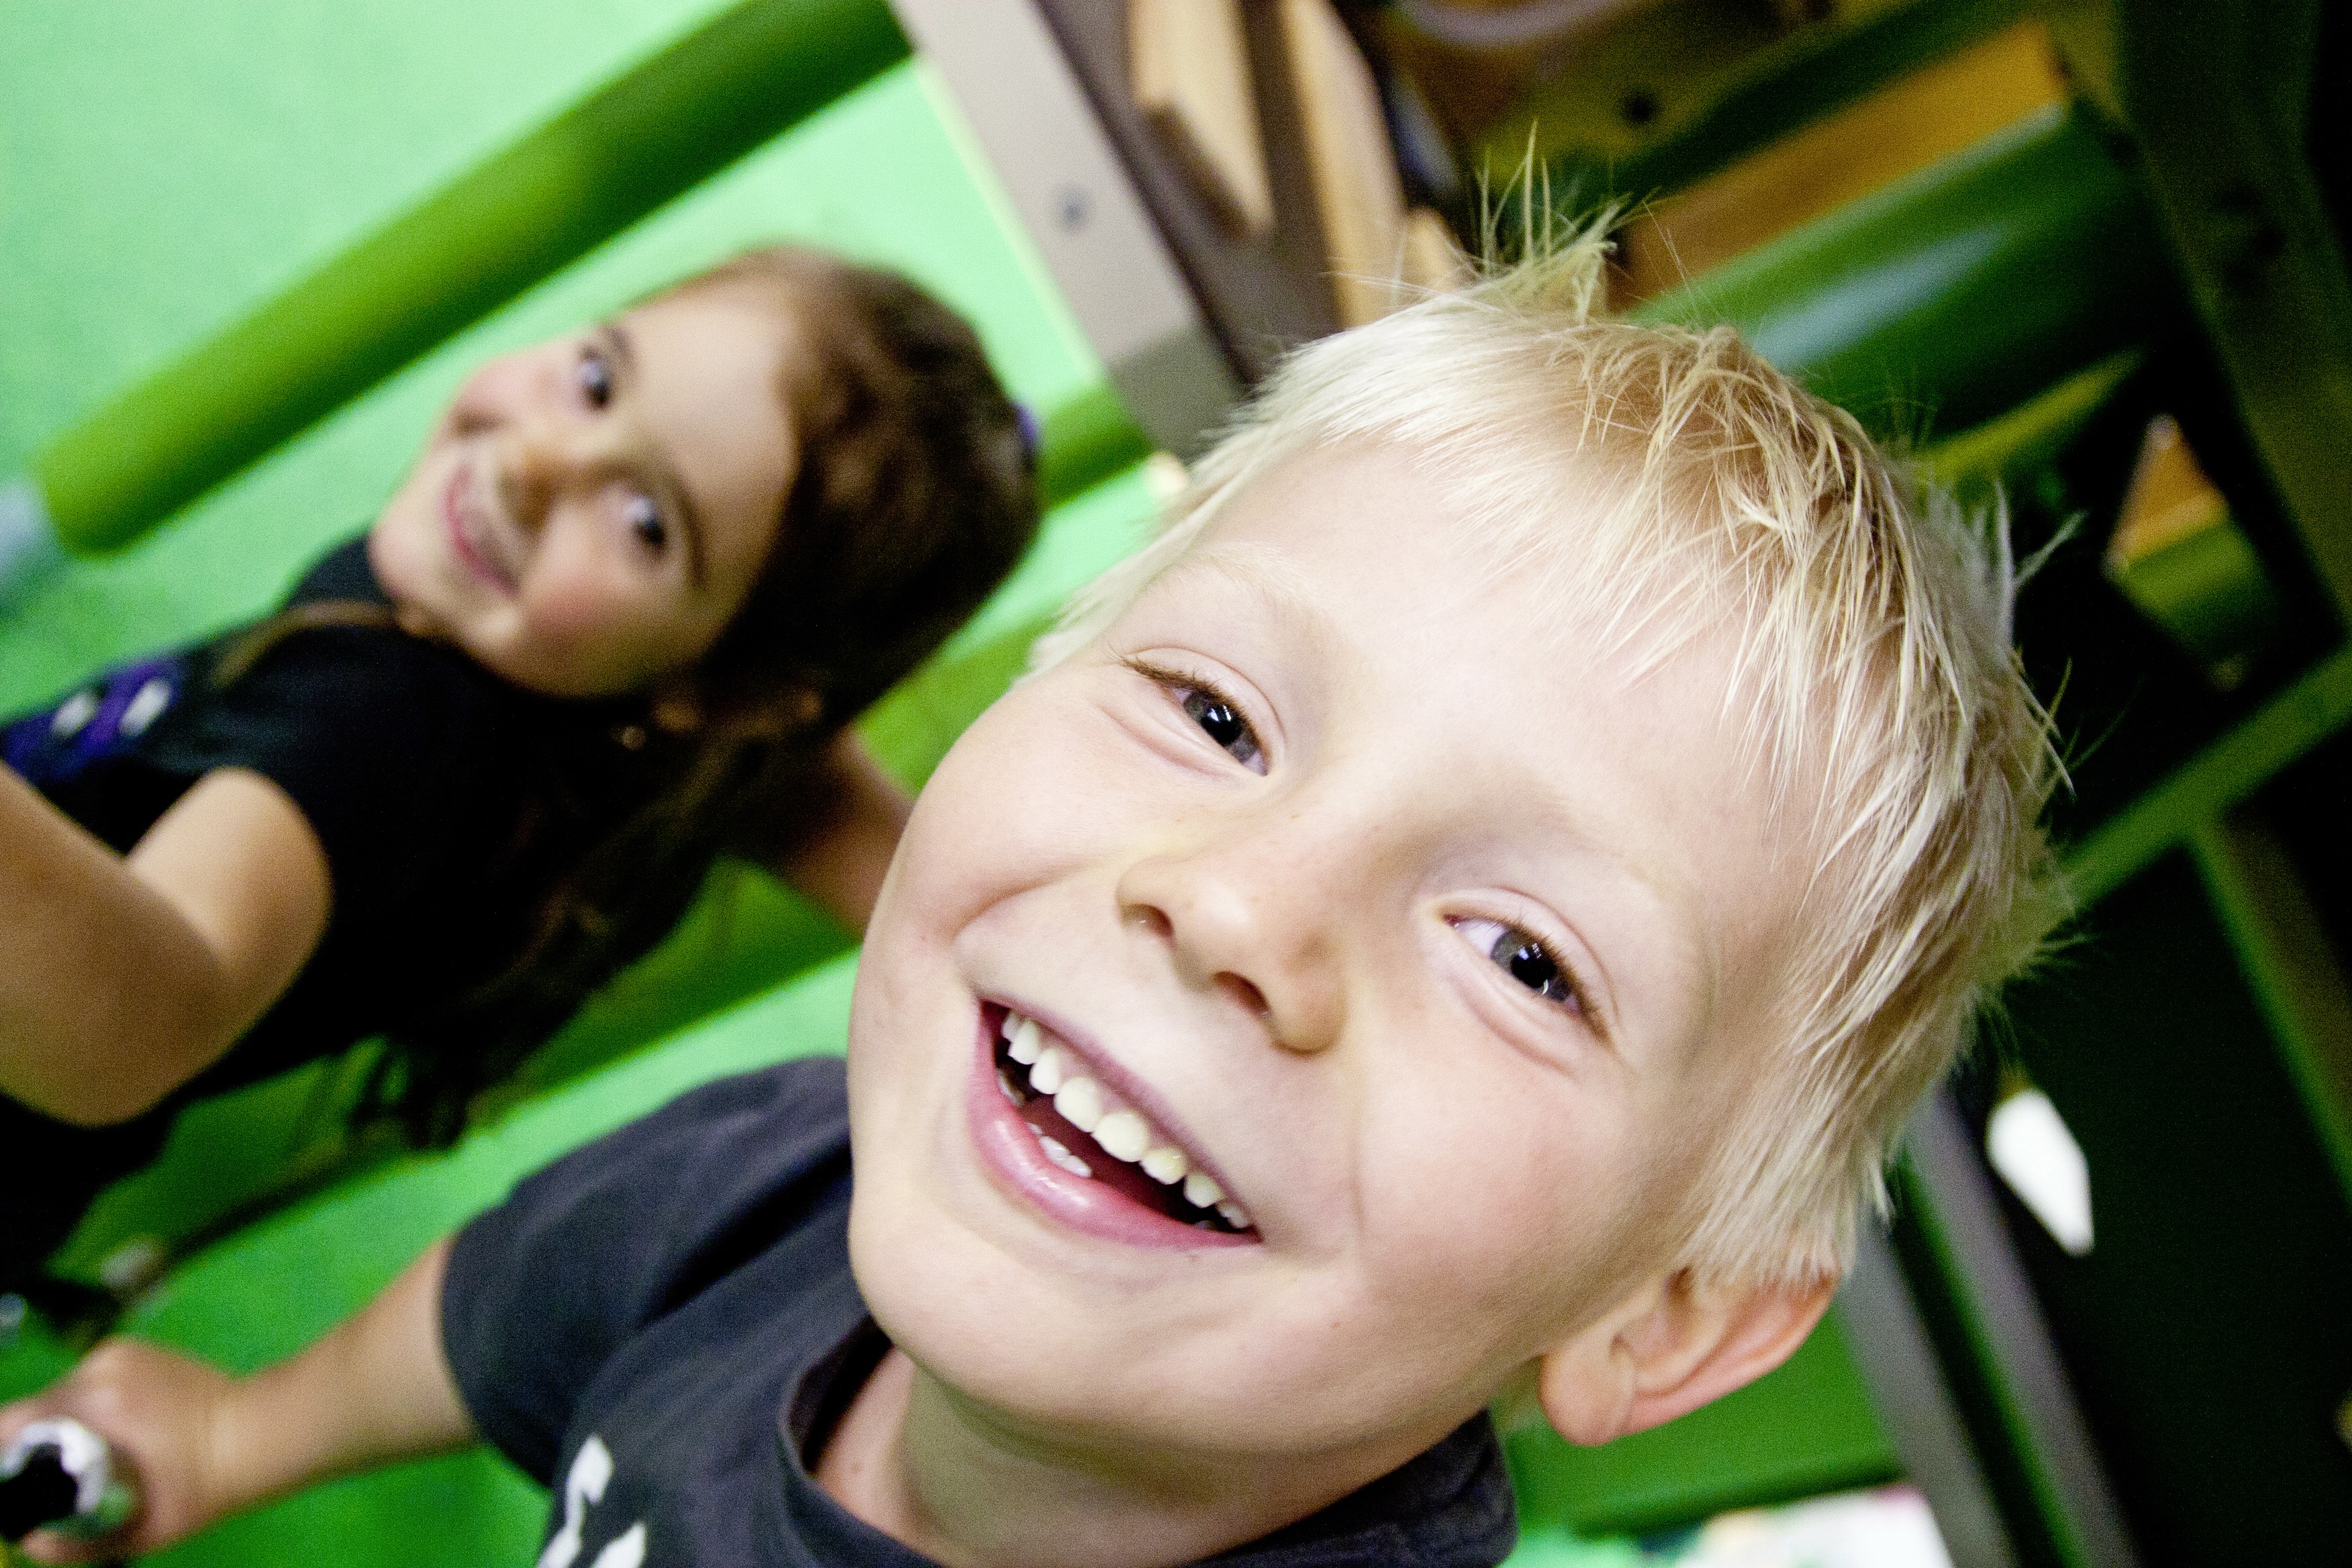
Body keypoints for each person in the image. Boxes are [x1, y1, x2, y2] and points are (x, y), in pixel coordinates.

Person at [0, 230, 2056, 1567]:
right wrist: (235, 1428)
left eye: (1526, 957)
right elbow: (515, 1304)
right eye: (1216, 713)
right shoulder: (789, 1179)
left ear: (1663, 1310)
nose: (1243, 908)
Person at [0, 246, 1040, 1289]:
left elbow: (139, 1024)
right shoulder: (621, 737)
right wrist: (992, 937)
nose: (540, 465)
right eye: (597, 381)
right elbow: (808, 788)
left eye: (646, 523)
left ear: (724, 688)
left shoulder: (384, 719)